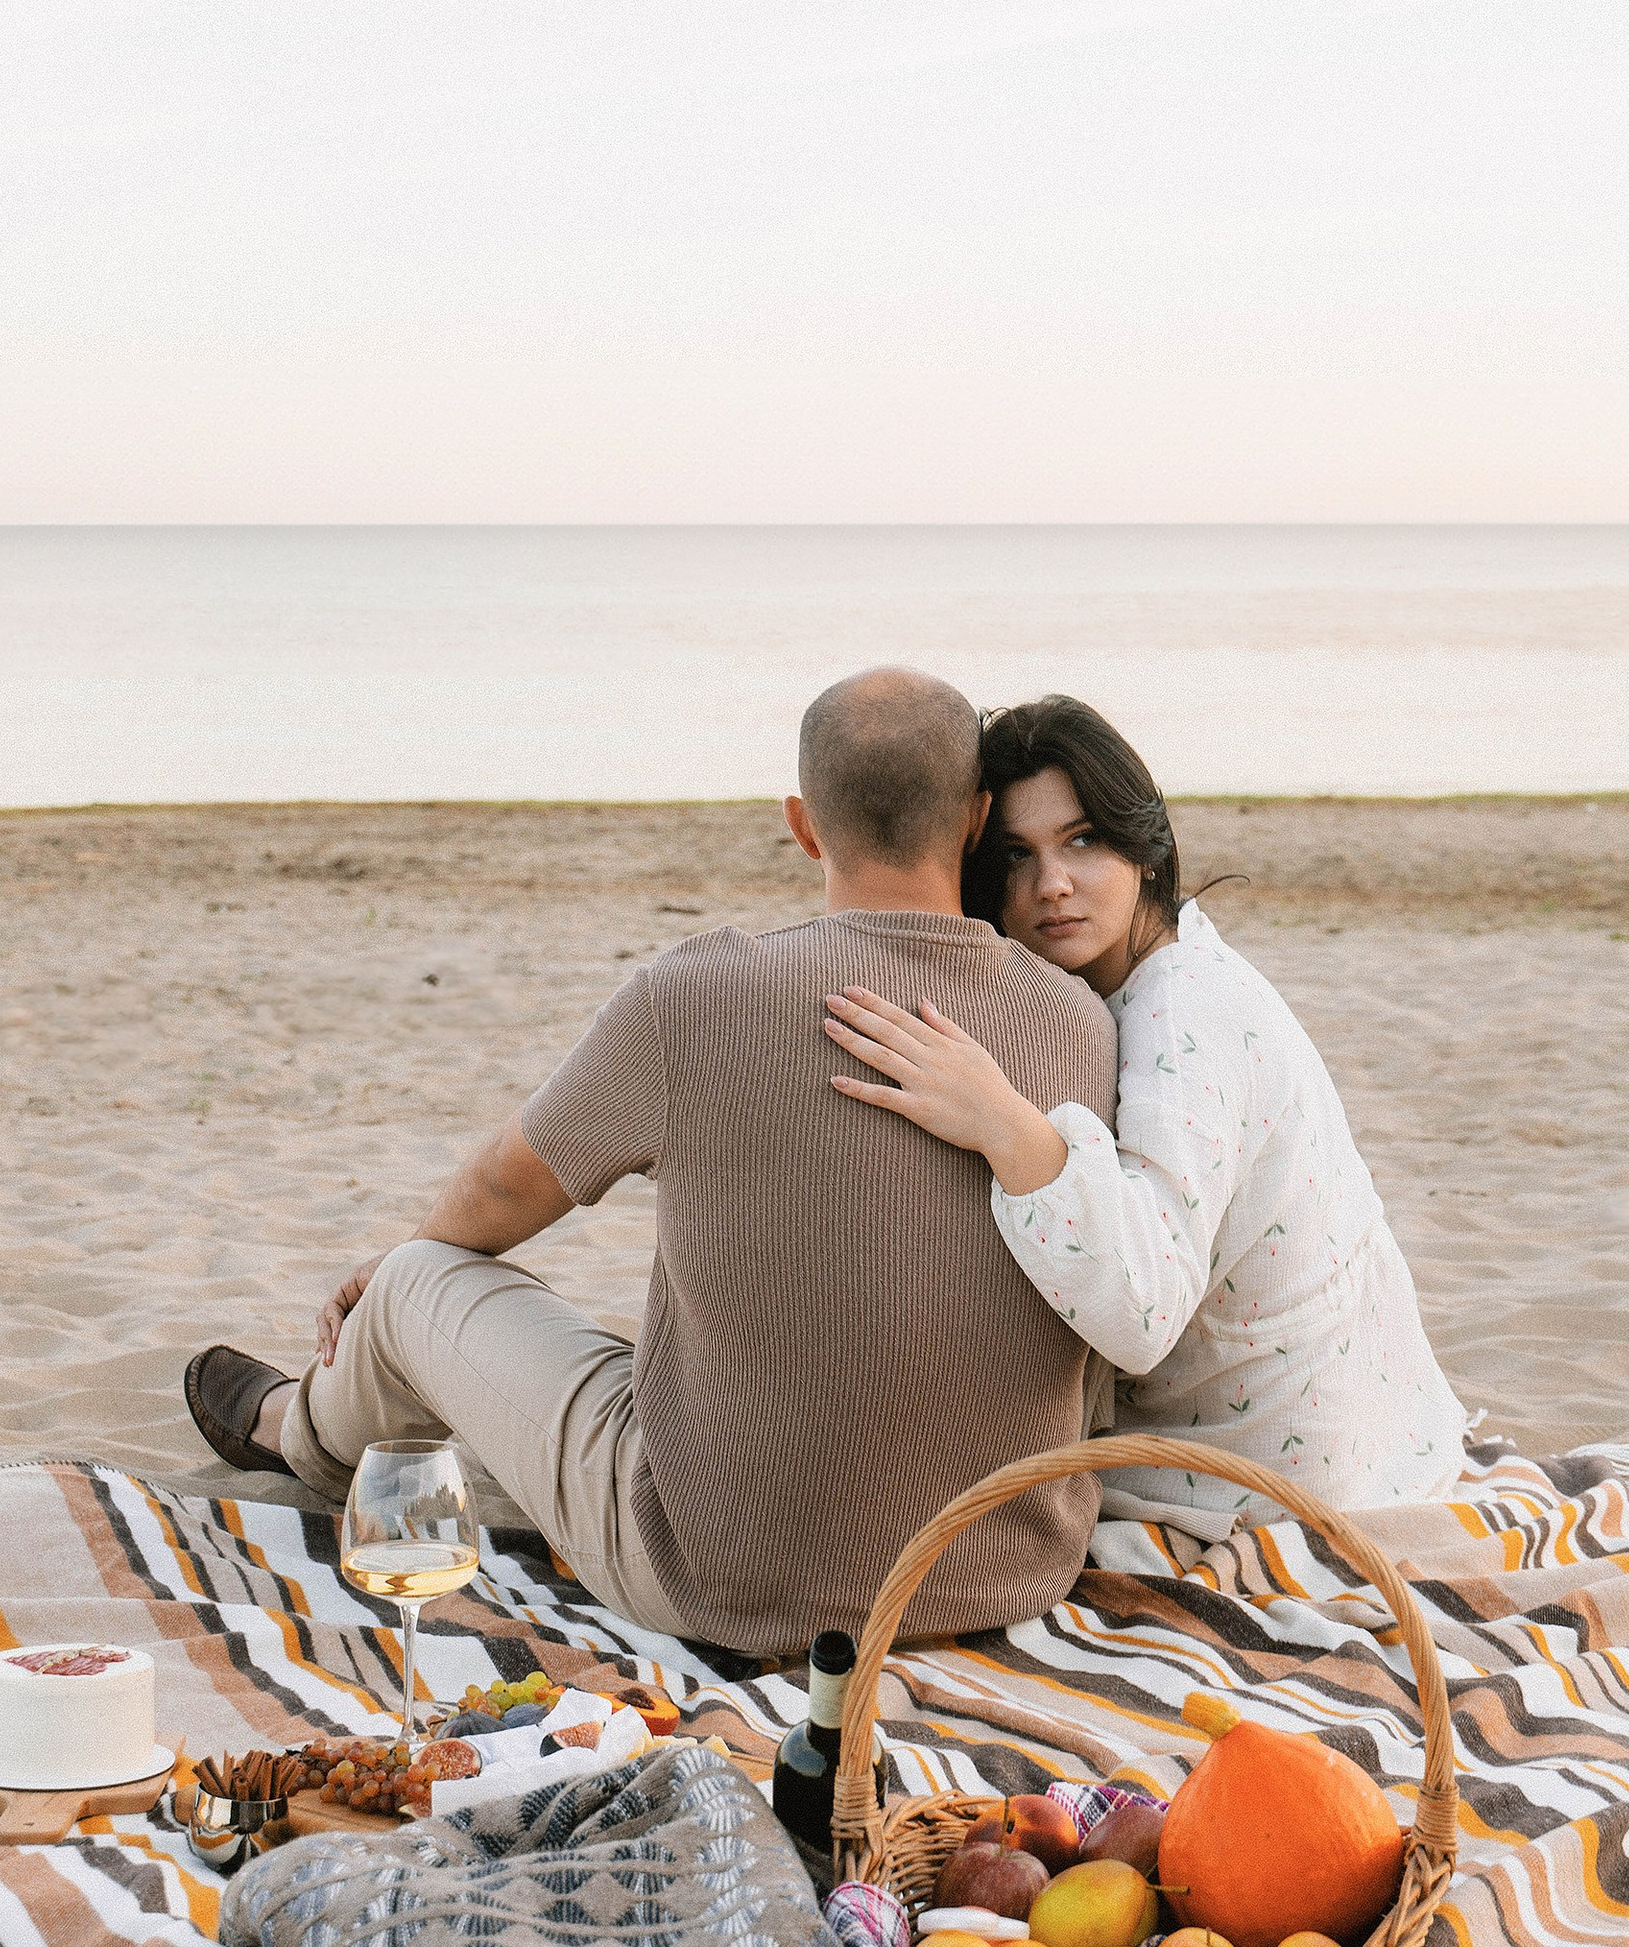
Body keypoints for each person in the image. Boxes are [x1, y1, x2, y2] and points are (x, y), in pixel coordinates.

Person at [182, 669, 1120, 1658]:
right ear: (975, 820)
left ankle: (296, 1433)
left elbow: (505, 1187)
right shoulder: (1079, 1022)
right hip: (1003, 1571)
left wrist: (396, 1272)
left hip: (723, 1578)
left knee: (418, 1277)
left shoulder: (695, 995)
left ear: (803, 826)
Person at [823, 694, 1467, 1532]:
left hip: (1277, 1474)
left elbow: (1142, 1312)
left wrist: (1000, 1121)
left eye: (1082, 840)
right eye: (1015, 855)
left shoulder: (1183, 1011)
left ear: (1141, 845)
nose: (1052, 884)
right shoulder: (1167, 965)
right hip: (1368, 1421)